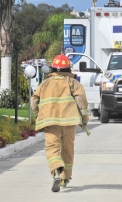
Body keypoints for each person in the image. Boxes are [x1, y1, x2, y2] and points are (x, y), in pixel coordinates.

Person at [31, 55, 89, 192]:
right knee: (67, 149)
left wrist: (37, 115)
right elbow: (82, 102)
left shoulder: (45, 83)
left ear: (53, 69)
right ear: (68, 68)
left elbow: (34, 101)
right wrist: (85, 119)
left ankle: (56, 170)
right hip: (69, 123)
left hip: (50, 123)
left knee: (52, 148)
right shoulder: (73, 83)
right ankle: (65, 178)